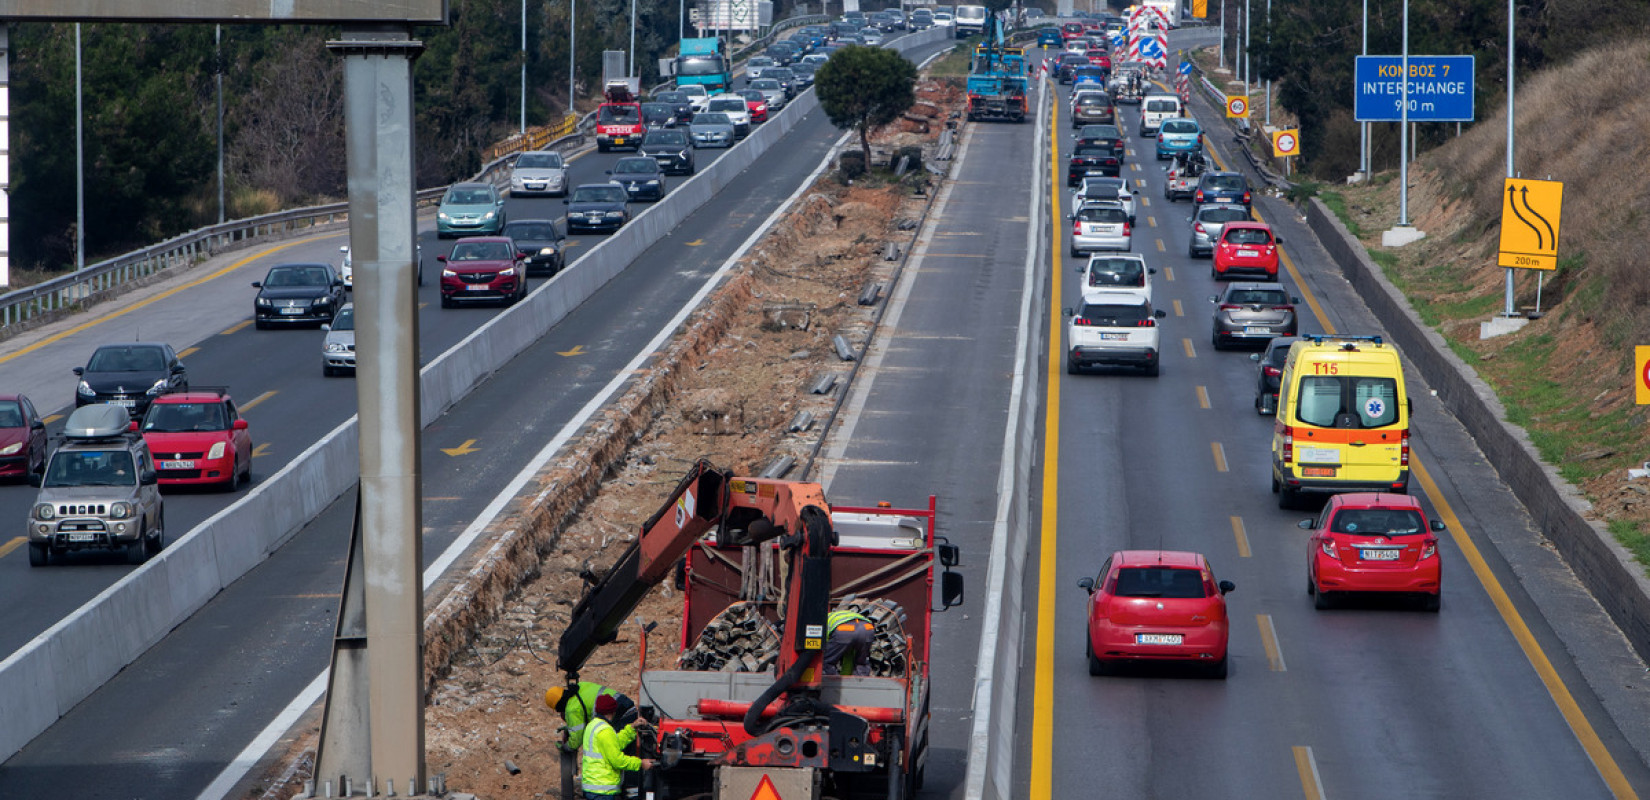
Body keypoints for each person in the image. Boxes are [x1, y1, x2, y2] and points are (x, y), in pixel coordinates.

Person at [580, 694, 654, 800]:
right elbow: (617, 760)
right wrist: (640, 763)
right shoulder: (605, 731)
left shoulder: (592, 725)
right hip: (602, 790)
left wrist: (632, 728)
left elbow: (614, 744)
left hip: (594, 787)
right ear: (613, 712)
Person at [545, 682, 636, 754]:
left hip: (618, 715)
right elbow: (587, 709)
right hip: (627, 704)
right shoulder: (580, 686)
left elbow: (577, 739)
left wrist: (566, 747)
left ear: (558, 706)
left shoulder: (571, 709)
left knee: (619, 751)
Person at [821, 608, 876, 676]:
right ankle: (860, 681)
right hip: (867, 628)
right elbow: (848, 658)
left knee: (826, 661)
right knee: (861, 662)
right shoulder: (839, 615)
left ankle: (833, 681)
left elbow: (823, 643)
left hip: (844, 629)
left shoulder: (822, 620)